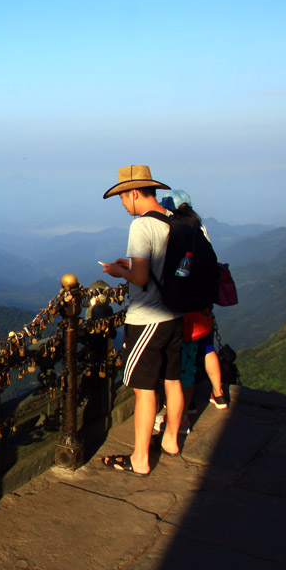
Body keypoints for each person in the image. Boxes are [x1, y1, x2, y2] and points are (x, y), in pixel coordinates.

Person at [100, 165, 185, 475]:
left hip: (148, 317)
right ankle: (171, 442)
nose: (123, 205)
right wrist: (133, 265)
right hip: (176, 314)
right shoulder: (173, 220)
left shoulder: (141, 226)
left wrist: (118, 270)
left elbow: (139, 277)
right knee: (172, 379)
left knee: (143, 388)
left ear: (134, 192)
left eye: (123, 197)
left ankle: (140, 459)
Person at [160, 190, 229, 411]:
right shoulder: (201, 230)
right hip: (204, 301)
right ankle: (218, 394)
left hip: (184, 302)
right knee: (207, 347)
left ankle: (186, 405)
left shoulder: (174, 232)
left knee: (184, 358)